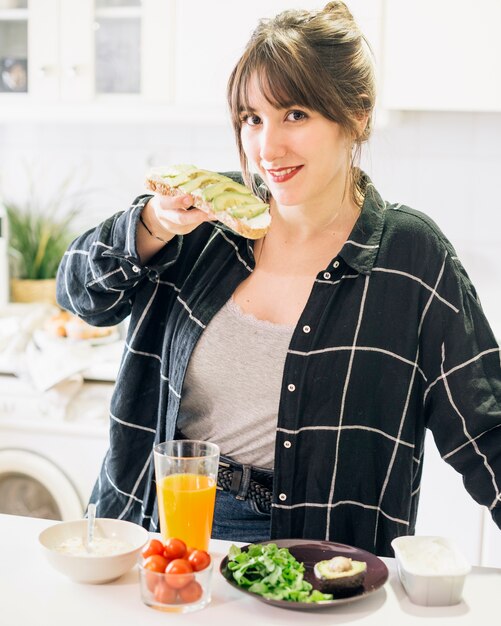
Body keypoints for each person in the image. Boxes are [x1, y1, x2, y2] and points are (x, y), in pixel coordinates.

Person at [56, 1, 501, 557]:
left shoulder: (410, 257)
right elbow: (78, 295)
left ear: (356, 115)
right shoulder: (198, 219)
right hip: (160, 539)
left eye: (295, 114)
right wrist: (149, 223)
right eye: (252, 118)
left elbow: (487, 431)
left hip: (315, 564)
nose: (268, 148)